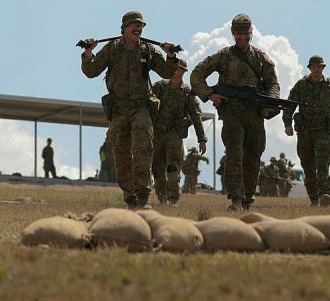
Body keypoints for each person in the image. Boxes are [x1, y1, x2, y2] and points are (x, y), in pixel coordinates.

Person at [81, 11, 179, 209]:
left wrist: (171, 55)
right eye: (134, 24)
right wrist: (89, 53)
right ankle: (130, 197)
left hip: (141, 107)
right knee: (121, 152)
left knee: (143, 147)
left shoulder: (148, 50)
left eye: (141, 25)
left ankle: (143, 196)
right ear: (124, 28)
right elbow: (91, 72)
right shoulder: (111, 49)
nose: (138, 28)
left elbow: (167, 72)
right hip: (118, 109)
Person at [190, 13, 280, 211]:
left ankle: (247, 199)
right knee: (234, 154)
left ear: (251, 34)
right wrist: (210, 94)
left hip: (255, 114)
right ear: (233, 34)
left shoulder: (260, 58)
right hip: (232, 113)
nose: (242, 37)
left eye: (245, 33)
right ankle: (236, 200)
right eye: (238, 34)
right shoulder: (223, 56)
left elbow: (273, 83)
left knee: (254, 156)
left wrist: (271, 100)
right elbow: (196, 76)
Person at [283, 55, 330, 207]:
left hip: (323, 131)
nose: (316, 69)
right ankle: (314, 199)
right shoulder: (301, 85)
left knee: (323, 164)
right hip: (305, 131)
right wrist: (287, 123)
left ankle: (324, 195)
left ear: (323, 68)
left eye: (319, 66)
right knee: (308, 166)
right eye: (313, 66)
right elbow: (290, 104)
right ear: (309, 68)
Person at [151, 58, 207, 205]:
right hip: (156, 134)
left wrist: (202, 139)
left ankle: (173, 198)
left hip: (175, 135)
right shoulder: (159, 87)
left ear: (183, 71)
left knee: (173, 166)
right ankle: (161, 197)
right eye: (174, 67)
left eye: (179, 68)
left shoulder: (187, 93)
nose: (176, 70)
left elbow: (196, 116)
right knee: (157, 169)